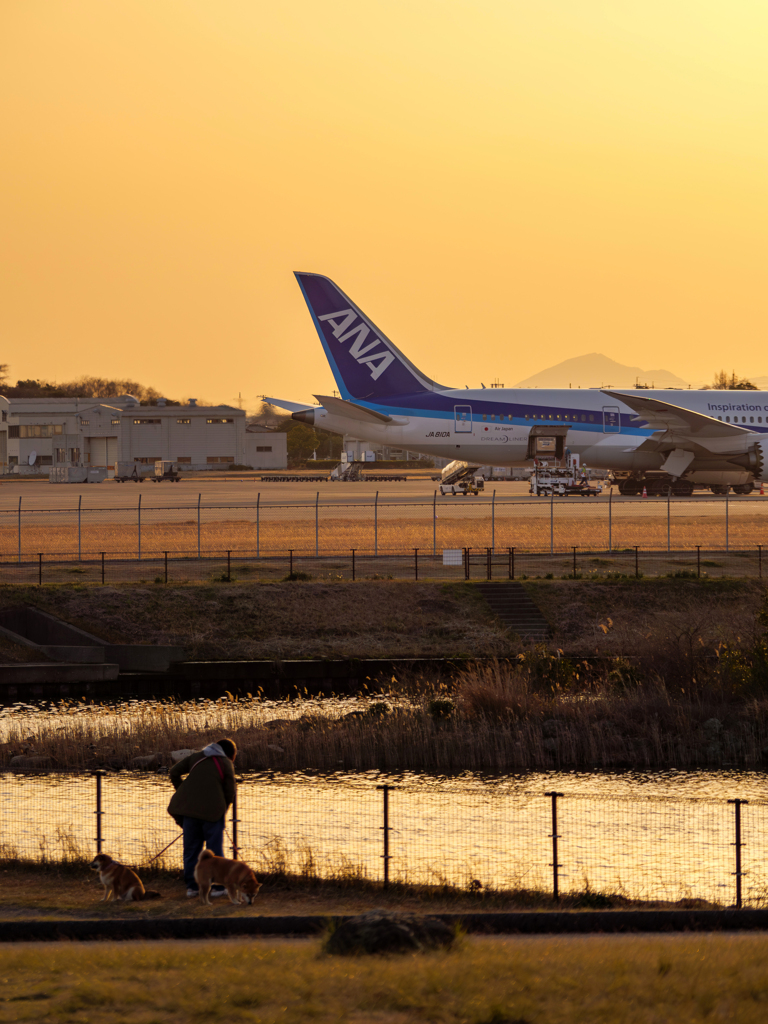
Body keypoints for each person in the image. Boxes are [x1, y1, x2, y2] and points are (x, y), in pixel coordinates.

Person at [167, 738, 237, 898]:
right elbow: (230, 790)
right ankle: (218, 888)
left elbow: (174, 772)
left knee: (191, 851)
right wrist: (223, 808)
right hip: (213, 813)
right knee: (214, 851)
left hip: (189, 811)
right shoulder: (225, 763)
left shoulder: (196, 757)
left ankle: (193, 887)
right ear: (230, 754)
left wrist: (183, 791)